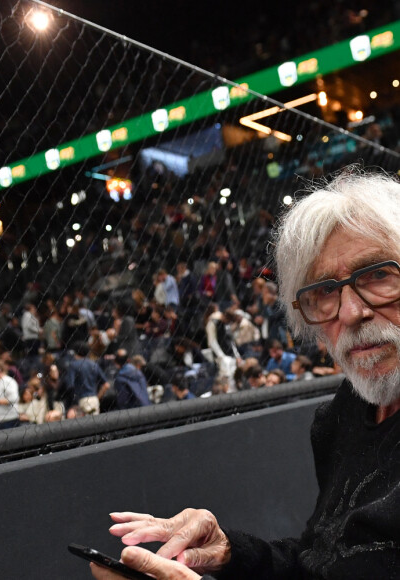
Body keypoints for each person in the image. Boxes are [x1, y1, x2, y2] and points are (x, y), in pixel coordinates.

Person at [90, 168, 400, 579]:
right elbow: (323, 563)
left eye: (378, 274)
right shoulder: (341, 417)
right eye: (324, 291)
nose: (350, 312)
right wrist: (230, 552)